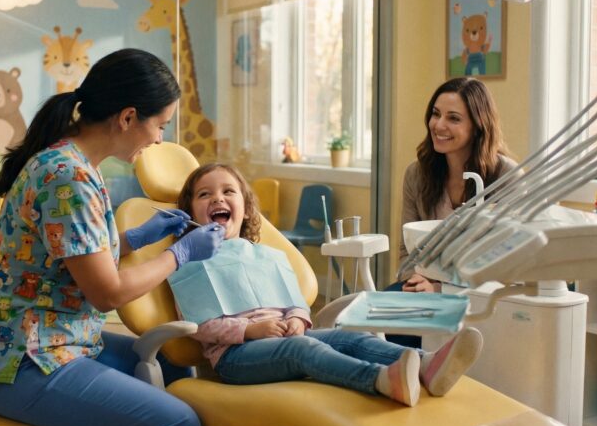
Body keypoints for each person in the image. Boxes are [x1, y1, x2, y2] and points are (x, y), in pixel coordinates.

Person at [0, 48, 225, 426]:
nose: (160, 139)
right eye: (159, 125)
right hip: (22, 363)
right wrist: (181, 254)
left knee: (175, 364)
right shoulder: (68, 176)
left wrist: (135, 238)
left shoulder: (73, 161)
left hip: (54, 340)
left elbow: (71, 252)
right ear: (127, 118)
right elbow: (107, 293)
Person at [171, 163, 483, 407]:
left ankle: (428, 365)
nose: (218, 198)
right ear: (190, 213)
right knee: (303, 347)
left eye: (229, 191)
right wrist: (249, 330)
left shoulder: (264, 255)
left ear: (246, 208)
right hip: (235, 357)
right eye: (204, 194)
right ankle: (379, 379)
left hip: (280, 338)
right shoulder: (189, 262)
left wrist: (296, 318)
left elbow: (293, 301)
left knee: (345, 338)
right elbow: (199, 325)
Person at [397, 77, 517, 293]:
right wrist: (416, 281)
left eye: (453, 118)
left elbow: (506, 261)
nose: (438, 125)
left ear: (478, 126)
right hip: (423, 287)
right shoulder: (416, 174)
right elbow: (407, 252)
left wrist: (440, 287)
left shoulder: (508, 176)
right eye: (436, 114)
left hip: (483, 296)